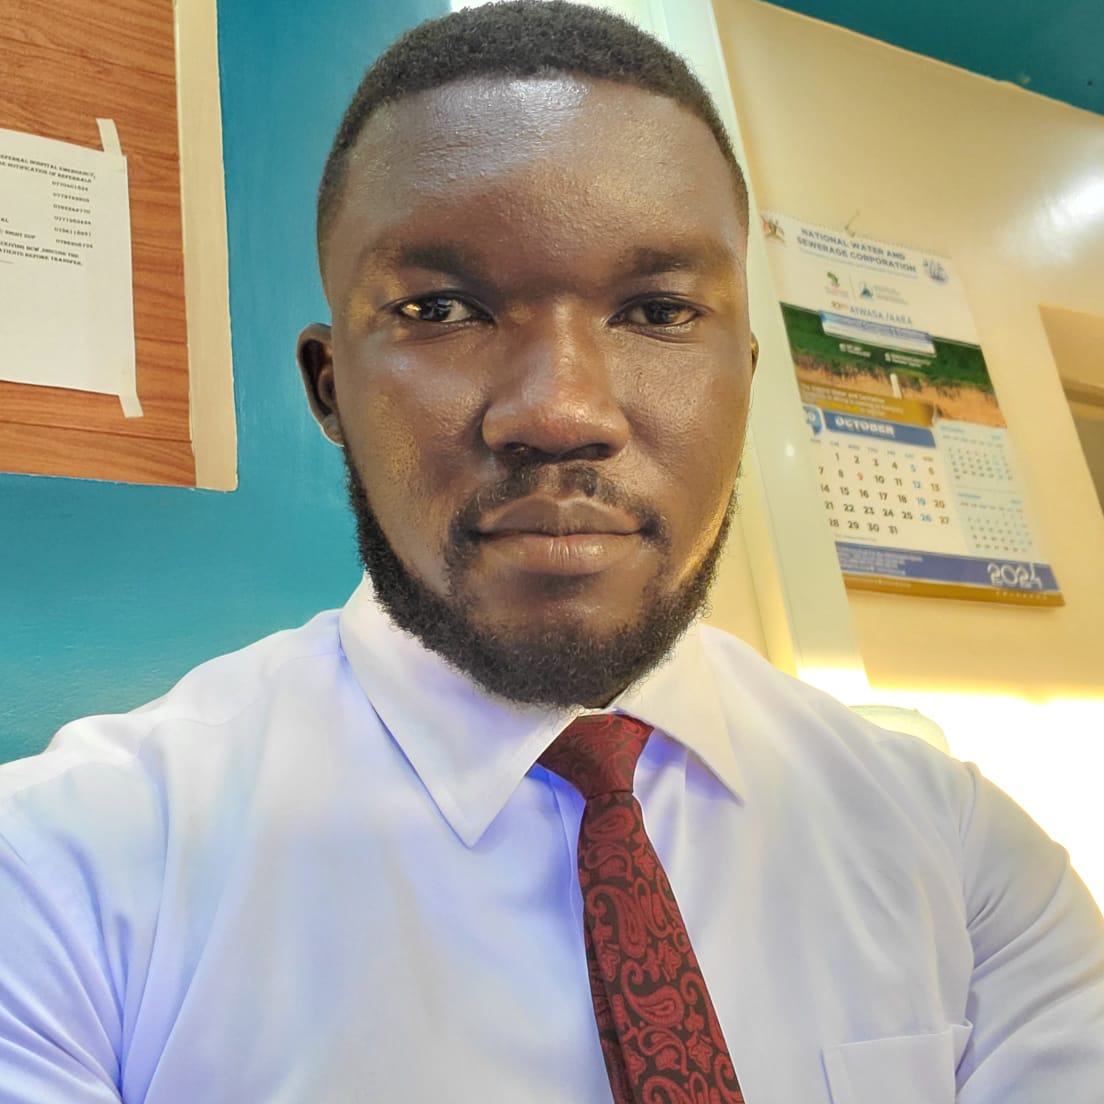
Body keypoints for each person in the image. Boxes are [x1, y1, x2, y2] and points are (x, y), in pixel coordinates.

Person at [1, 2, 1101, 1101]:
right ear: (330, 390)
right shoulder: (63, 878)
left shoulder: (967, 866)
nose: (563, 411)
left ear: (745, 377)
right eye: (441, 308)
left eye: (659, 312)